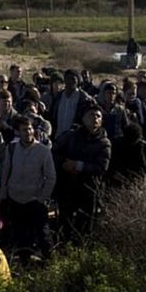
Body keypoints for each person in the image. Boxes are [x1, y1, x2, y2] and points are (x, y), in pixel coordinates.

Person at [0, 116, 56, 261]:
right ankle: (25, 264)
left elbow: (50, 177)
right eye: (24, 130)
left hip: (34, 200)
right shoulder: (11, 149)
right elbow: (6, 173)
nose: (28, 132)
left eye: (30, 129)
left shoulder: (43, 151)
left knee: (43, 236)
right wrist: (3, 195)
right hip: (15, 199)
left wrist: (41, 198)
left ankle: (52, 265)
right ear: (18, 132)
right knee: (20, 236)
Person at [52, 103, 111, 243]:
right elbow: (53, 152)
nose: (95, 118)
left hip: (89, 191)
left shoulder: (104, 142)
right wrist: (63, 163)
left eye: (98, 116)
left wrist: (79, 166)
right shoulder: (70, 136)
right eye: (91, 115)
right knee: (64, 225)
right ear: (83, 118)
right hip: (67, 188)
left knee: (85, 229)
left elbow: (102, 167)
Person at [48, 69, 95, 140]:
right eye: (68, 79)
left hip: (76, 140)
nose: (70, 81)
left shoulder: (84, 98)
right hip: (58, 137)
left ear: (78, 81)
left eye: (73, 79)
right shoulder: (58, 97)